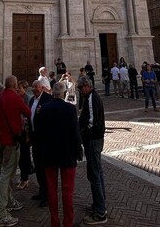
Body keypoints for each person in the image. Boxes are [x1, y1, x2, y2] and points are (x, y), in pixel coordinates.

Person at [38, 81, 82, 227]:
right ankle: (68, 222)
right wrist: (79, 151)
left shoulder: (43, 108)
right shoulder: (70, 109)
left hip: (49, 155)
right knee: (67, 190)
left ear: (52, 93)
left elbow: (40, 133)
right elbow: (75, 133)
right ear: (64, 94)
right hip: (67, 154)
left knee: (51, 190)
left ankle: (54, 222)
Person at [0, 75, 32, 227]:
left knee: (6, 172)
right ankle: (1, 212)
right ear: (15, 85)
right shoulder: (15, 98)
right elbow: (28, 112)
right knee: (6, 174)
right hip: (10, 141)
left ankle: (9, 201)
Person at [77, 75, 107, 225]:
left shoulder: (91, 98)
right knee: (98, 172)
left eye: (80, 88)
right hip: (96, 139)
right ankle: (100, 203)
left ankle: (100, 212)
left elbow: (92, 123)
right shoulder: (91, 97)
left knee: (94, 174)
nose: (80, 91)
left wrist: (81, 135)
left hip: (93, 140)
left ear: (87, 86)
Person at [29, 78, 53, 207]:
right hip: (35, 139)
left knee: (44, 168)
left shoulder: (47, 99)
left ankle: (47, 195)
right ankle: (41, 191)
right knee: (38, 167)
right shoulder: (32, 100)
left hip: (44, 140)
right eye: (33, 88)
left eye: (36, 87)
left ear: (42, 88)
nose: (34, 90)